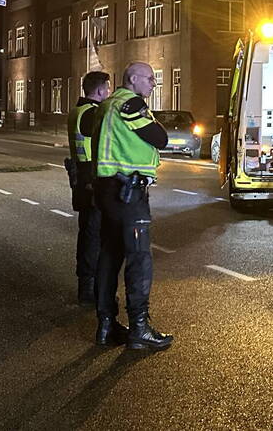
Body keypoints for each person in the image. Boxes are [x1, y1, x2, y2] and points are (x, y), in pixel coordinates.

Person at [92, 62, 173, 349]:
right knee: (139, 259)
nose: (153, 83)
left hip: (106, 189)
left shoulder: (107, 104)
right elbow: (159, 138)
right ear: (134, 79)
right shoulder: (131, 104)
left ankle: (105, 325)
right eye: (150, 79)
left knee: (110, 256)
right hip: (128, 191)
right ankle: (140, 328)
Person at [66, 71, 111, 305]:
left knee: (88, 233)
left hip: (82, 177)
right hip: (92, 179)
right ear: (101, 90)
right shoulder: (93, 114)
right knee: (94, 236)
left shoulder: (78, 110)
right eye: (108, 88)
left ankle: (87, 284)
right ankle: (89, 288)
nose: (109, 92)